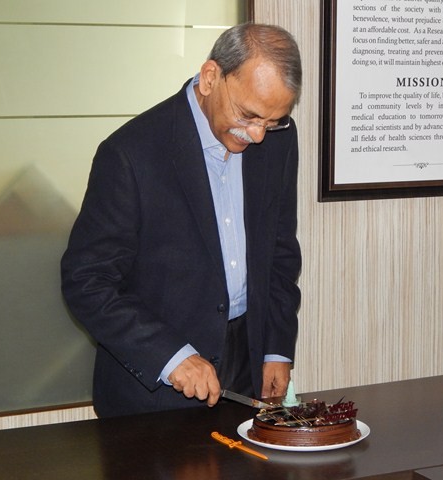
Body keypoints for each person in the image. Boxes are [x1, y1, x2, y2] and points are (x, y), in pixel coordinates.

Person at [61, 23, 303, 418]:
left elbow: (280, 249)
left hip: (247, 367)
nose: (258, 134)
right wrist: (170, 357)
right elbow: (87, 281)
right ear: (210, 78)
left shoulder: (279, 139)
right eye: (248, 115)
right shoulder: (131, 153)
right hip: (154, 392)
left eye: (273, 120)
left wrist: (276, 348)